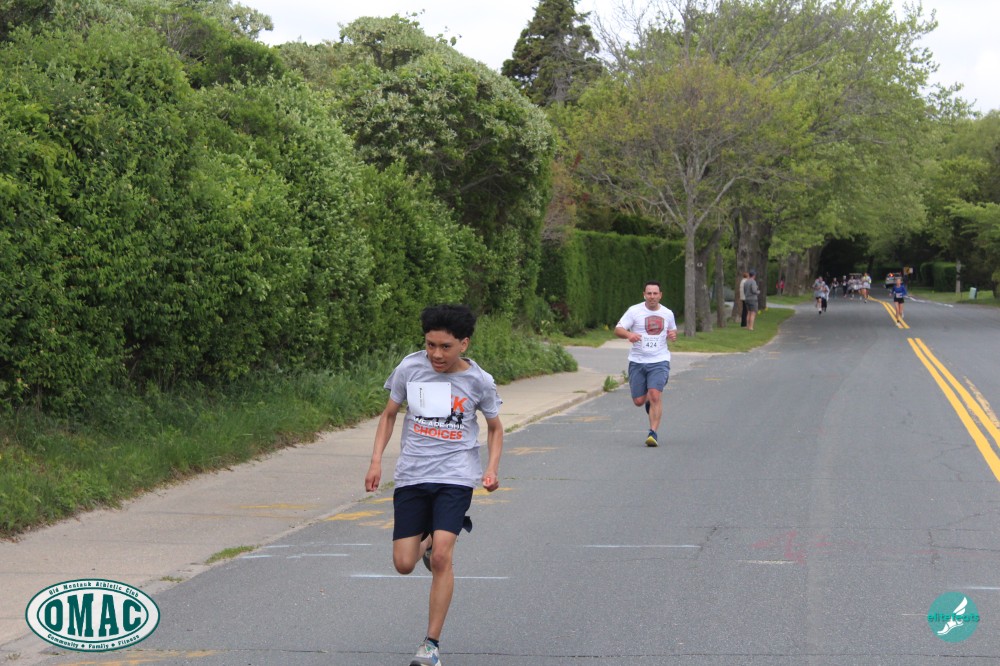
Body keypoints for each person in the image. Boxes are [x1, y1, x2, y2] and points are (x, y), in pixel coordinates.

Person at [365, 304, 503, 666]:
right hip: (412, 475)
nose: (436, 355)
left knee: (444, 556)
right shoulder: (410, 368)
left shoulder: (479, 381)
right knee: (403, 563)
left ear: (464, 344)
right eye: (430, 345)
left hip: (455, 476)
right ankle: (426, 542)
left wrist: (491, 469)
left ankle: (430, 645)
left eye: (445, 347)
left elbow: (495, 428)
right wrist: (376, 460)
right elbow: (389, 415)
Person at [614, 281, 679, 447]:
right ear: (644, 295)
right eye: (649, 293)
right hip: (637, 361)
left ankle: (653, 433)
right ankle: (648, 402)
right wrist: (629, 335)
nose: (652, 297)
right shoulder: (634, 311)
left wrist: (672, 335)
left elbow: (672, 330)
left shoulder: (667, 313)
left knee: (655, 394)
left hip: (659, 360)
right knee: (638, 401)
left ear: (660, 295)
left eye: (655, 293)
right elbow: (618, 329)